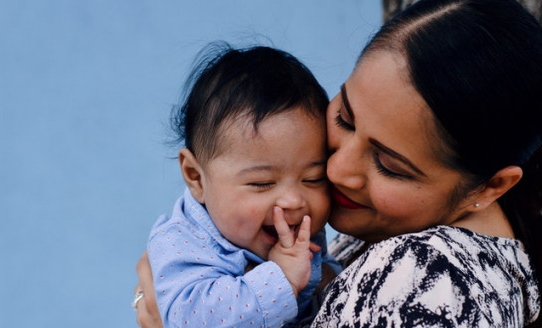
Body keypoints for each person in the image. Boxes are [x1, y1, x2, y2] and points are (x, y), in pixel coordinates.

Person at [134, 0, 542, 326]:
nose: (335, 170)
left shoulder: (430, 285)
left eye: (388, 164)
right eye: (344, 118)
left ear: (492, 187)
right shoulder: (380, 229)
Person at [139, 44, 341, 328]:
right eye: (262, 183)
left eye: (313, 178)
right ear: (195, 177)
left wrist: (327, 282)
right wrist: (280, 278)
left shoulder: (293, 230)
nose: (294, 200)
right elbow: (187, 319)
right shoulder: (181, 242)